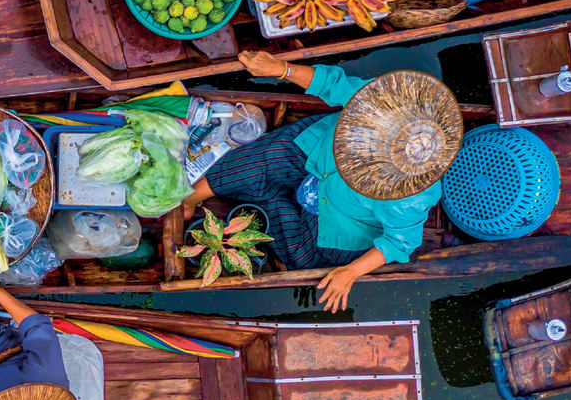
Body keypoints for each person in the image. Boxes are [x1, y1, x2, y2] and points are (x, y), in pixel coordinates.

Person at [182, 50, 463, 312]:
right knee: (268, 156)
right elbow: (335, 85)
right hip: (316, 149)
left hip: (337, 221)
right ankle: (195, 195)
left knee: (302, 258)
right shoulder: (390, 102)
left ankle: (261, 196)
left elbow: (400, 242)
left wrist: (351, 272)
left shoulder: (411, 196)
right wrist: (281, 69)